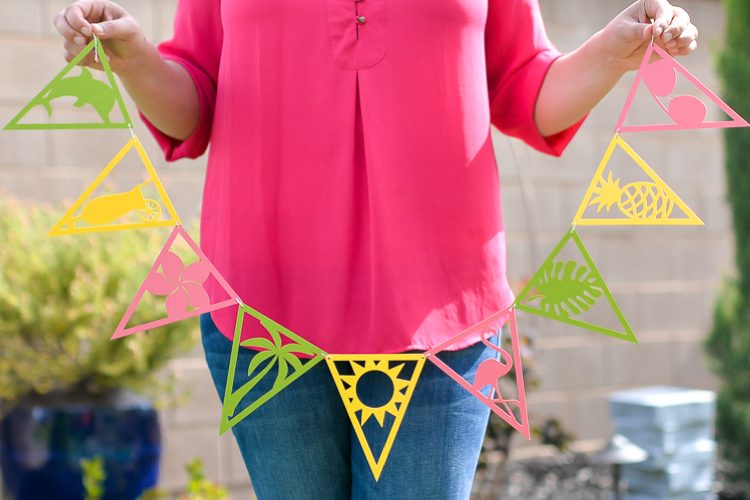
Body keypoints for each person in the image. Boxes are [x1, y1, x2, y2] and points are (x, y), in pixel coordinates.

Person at [54, 0, 697, 498]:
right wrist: (134, 58)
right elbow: (193, 102)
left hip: (444, 322)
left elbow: (527, 92)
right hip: (261, 317)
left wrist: (613, 53)